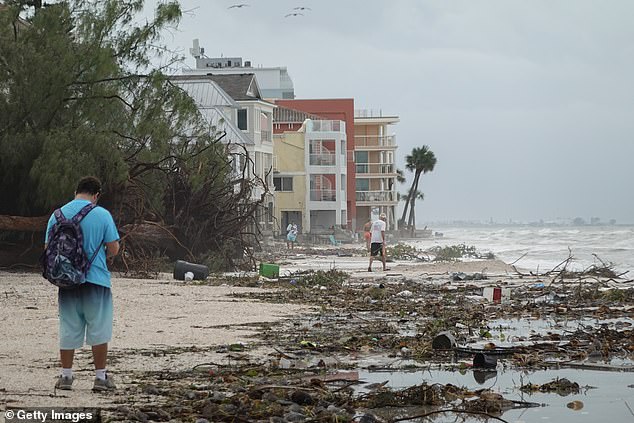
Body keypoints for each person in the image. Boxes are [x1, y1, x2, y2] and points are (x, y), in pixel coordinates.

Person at [44, 176, 120, 392]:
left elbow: (48, 248)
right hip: (96, 280)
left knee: (68, 328)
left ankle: (66, 377)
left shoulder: (56, 215)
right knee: (99, 329)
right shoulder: (102, 214)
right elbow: (113, 249)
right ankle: (100, 378)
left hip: (67, 282)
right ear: (96, 195)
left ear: (75, 191)